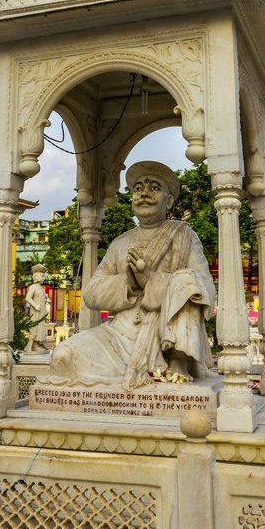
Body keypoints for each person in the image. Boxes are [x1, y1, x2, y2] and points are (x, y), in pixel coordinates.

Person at [48, 161, 216, 389]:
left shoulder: (184, 236)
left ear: (168, 200)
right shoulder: (120, 243)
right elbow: (92, 293)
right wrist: (129, 282)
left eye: (154, 187)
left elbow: (205, 290)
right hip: (119, 335)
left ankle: (178, 363)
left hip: (165, 336)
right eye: (137, 189)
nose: (144, 193)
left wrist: (151, 279)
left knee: (187, 279)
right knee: (62, 357)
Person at [24, 264, 48, 353]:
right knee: (34, 328)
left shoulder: (41, 288)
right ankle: (29, 347)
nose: (43, 278)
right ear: (36, 276)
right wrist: (35, 305)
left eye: (44, 276)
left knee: (39, 329)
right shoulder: (33, 287)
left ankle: (36, 344)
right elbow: (27, 298)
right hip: (35, 311)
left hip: (41, 311)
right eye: (42, 276)